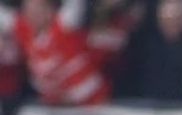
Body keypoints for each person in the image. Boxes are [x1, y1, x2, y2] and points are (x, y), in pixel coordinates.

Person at [0, 0, 131, 106]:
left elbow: (75, 4)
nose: (31, 14)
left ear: (50, 11)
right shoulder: (24, 29)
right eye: (27, 9)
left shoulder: (64, 26)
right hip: (55, 106)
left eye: (37, 9)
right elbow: (4, 15)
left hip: (91, 102)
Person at [117, 0, 182, 105]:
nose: (172, 23)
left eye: (176, 19)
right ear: (159, 19)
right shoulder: (143, 45)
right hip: (145, 107)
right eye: (167, 19)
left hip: (180, 108)